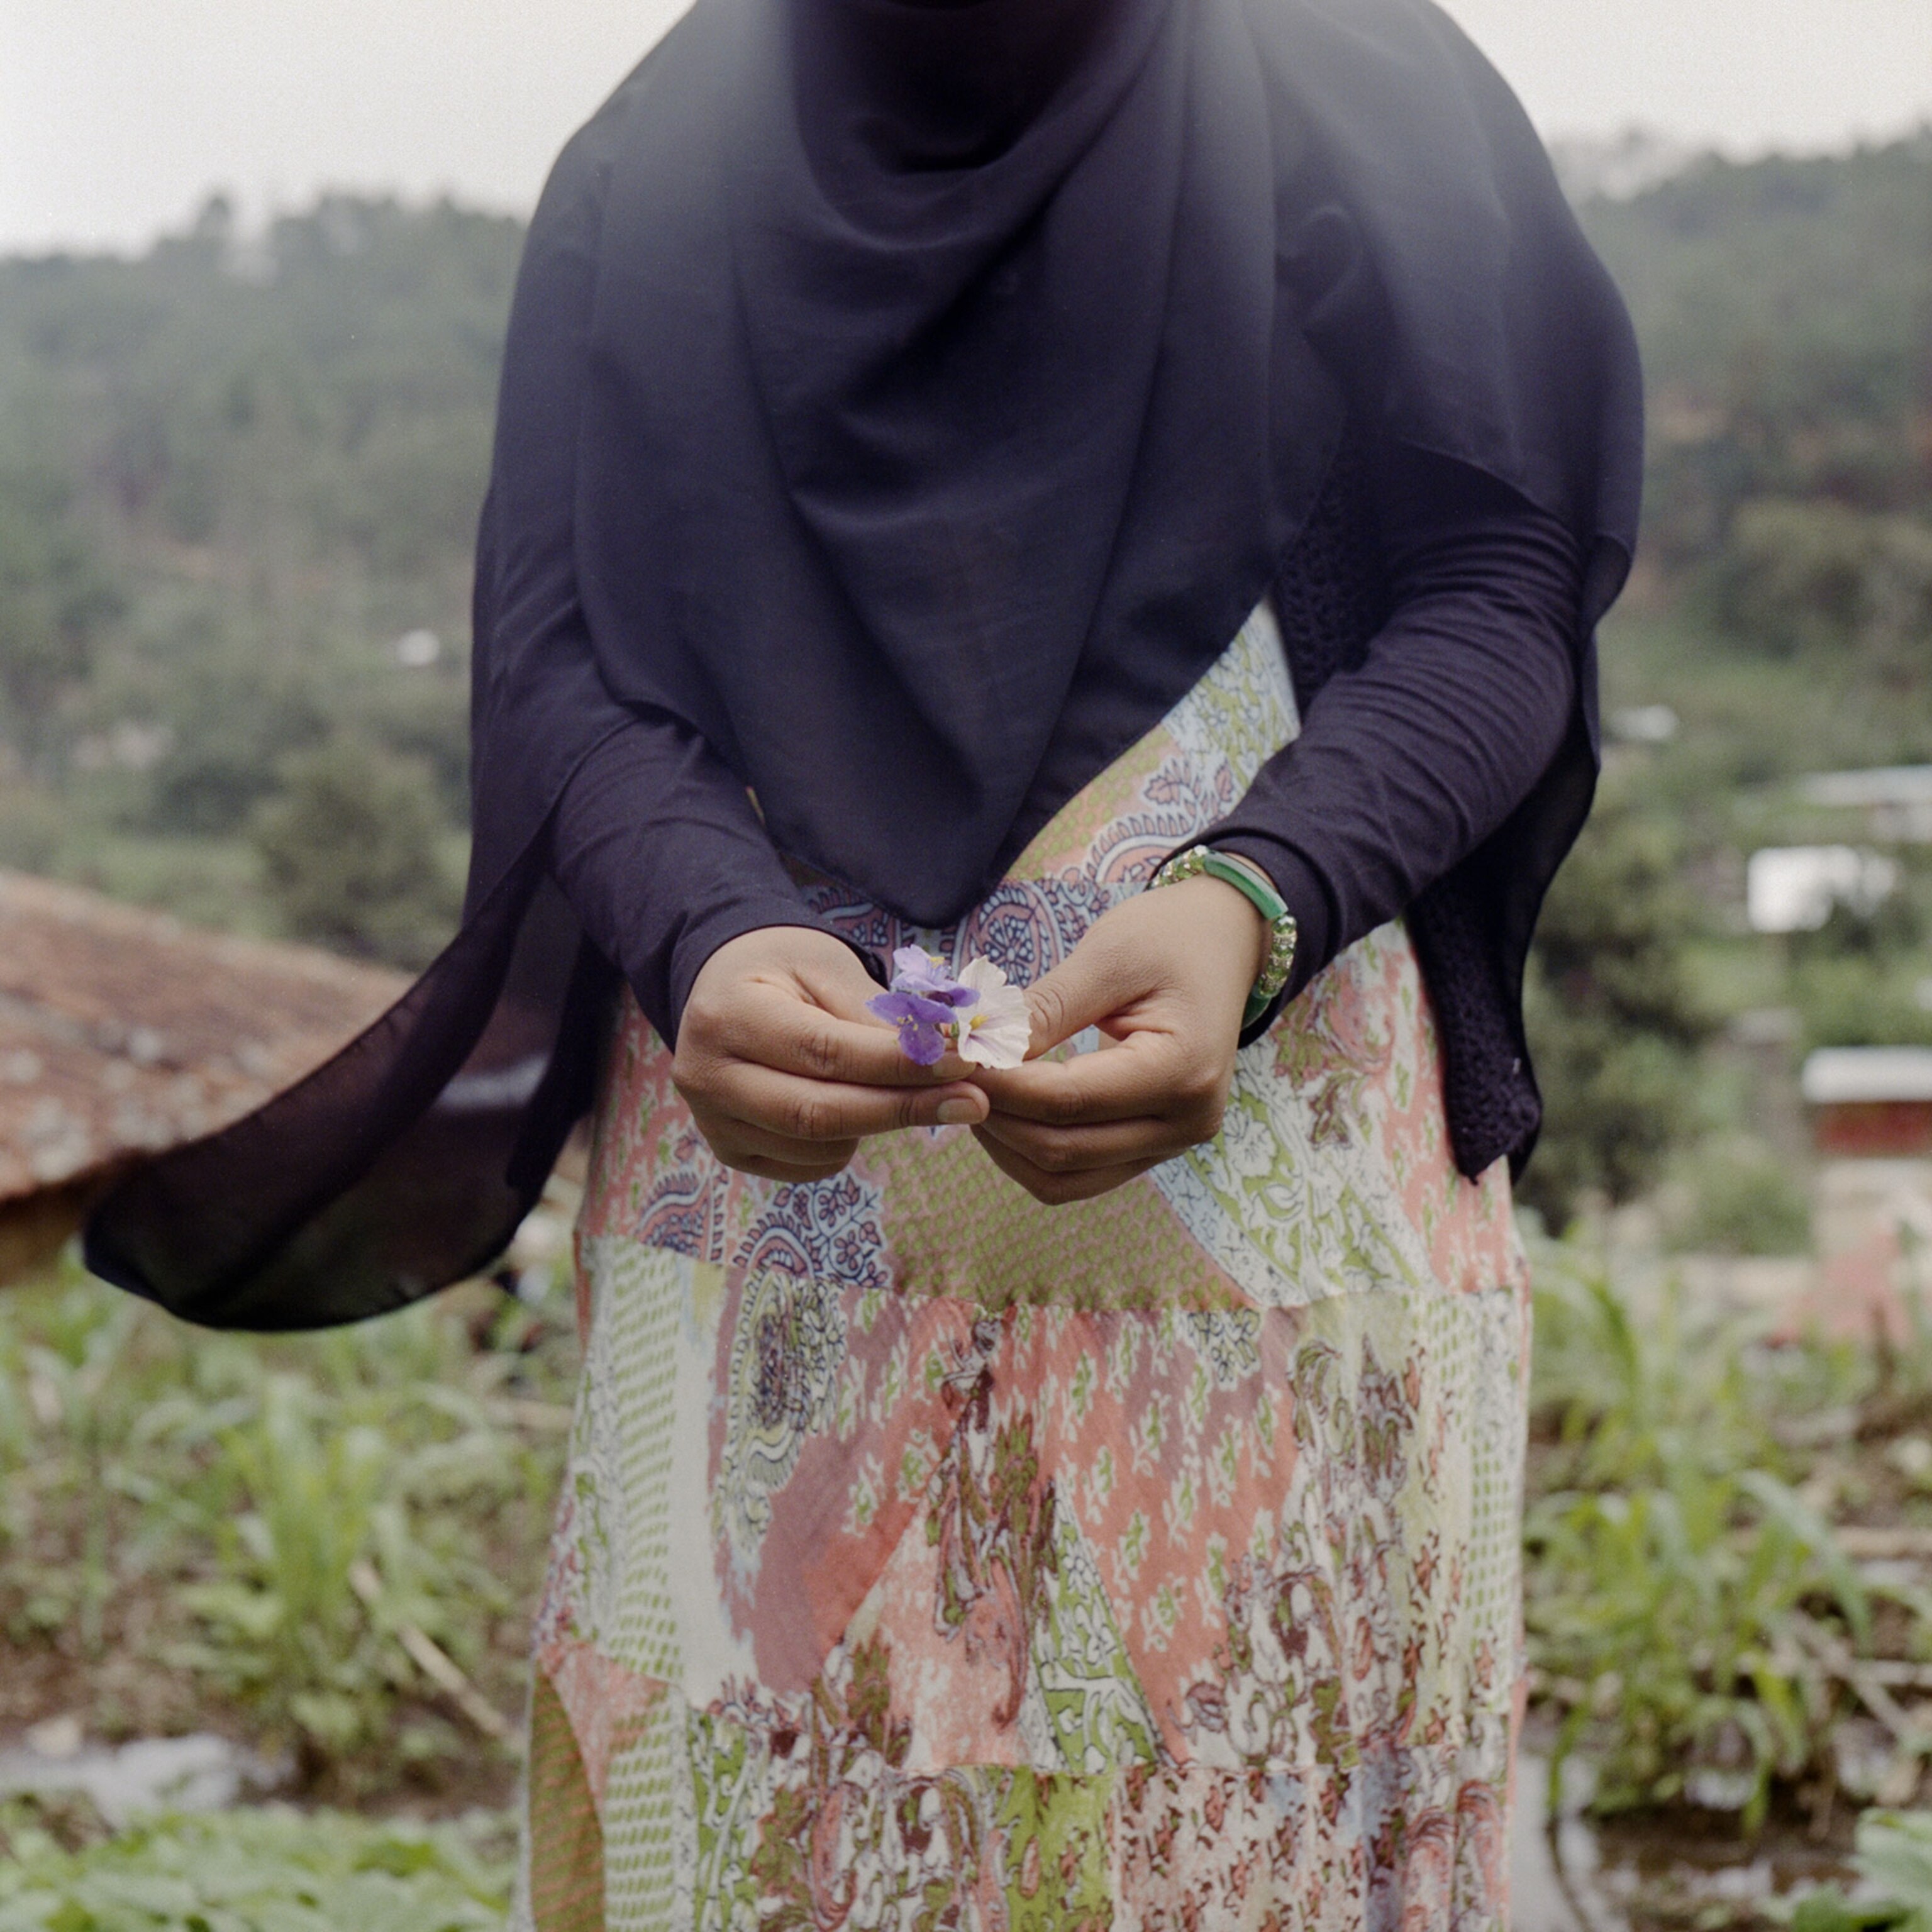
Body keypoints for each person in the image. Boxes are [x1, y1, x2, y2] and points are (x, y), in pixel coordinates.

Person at [88, 0, 1641, 1916]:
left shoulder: (1353, 87)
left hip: (1269, 1261)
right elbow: (559, 645)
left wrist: (1261, 898)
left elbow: (1503, 581)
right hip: (759, 1263)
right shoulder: (659, 162)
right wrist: (706, 924)